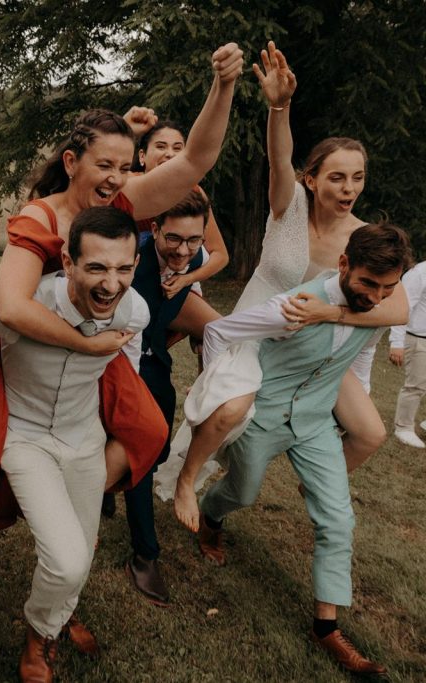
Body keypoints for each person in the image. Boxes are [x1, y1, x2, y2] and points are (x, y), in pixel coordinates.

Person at [0, 42, 244, 569]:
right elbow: (10, 306)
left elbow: (197, 158)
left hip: (91, 338)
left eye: (126, 166)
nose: (116, 177)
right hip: (31, 339)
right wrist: (90, 344)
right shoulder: (39, 218)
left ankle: (76, 502)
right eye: (105, 166)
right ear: (71, 164)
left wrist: (223, 86)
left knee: (150, 429)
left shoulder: (124, 203)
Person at [158, 41, 408, 532]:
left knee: (370, 431)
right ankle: (190, 479)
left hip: (316, 350)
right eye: (337, 177)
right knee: (234, 411)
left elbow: (396, 307)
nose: (349, 188)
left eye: (357, 178)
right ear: (311, 180)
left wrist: (331, 316)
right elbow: (280, 158)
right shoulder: (286, 206)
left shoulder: (364, 238)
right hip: (256, 334)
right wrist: (280, 106)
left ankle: (316, 477)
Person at [0, 207, 149, 682]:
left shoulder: (137, 311)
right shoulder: (22, 305)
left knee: (83, 547)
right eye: (96, 268)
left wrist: (118, 426)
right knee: (67, 561)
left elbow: (123, 369)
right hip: (25, 440)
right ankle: (38, 638)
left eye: (124, 268)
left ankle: (57, 619)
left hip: (85, 438)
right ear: (68, 262)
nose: (112, 284)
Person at [195, 222, 410, 676]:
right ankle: (211, 516)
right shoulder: (290, 306)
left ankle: (326, 627)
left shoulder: (375, 306)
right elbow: (219, 332)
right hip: (265, 416)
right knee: (243, 492)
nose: (375, 297)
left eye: (387, 288)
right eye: (368, 283)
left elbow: (378, 329)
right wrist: (222, 391)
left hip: (314, 423)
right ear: (344, 264)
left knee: (338, 519)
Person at [119, 190, 210, 605]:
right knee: (141, 446)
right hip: (110, 360)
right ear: (153, 229)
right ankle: (145, 555)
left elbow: (185, 311)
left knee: (156, 451)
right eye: (174, 239)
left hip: (154, 360)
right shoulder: (128, 259)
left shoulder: (197, 259)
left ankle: (111, 487)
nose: (184, 250)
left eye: (194, 240)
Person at [388, 258, 426, 447]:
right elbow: (403, 308)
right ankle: (403, 427)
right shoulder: (420, 273)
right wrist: (396, 342)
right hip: (417, 338)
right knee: (415, 386)